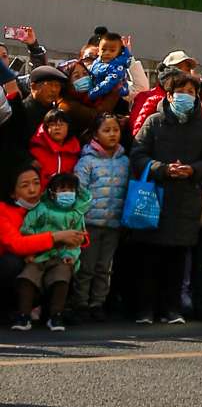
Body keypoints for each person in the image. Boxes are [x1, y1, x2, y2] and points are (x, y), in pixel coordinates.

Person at [130, 69, 202, 325]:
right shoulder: (154, 122)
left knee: (177, 262)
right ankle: (145, 310)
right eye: (181, 92)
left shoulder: (201, 126)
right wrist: (163, 169)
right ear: (169, 95)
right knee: (148, 260)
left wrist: (193, 170)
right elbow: (137, 156)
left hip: (185, 200)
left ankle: (172, 309)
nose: (187, 97)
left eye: (191, 92)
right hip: (154, 198)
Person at [2, 164, 86, 328]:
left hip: (49, 261)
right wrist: (57, 237)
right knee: (12, 263)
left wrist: (79, 239)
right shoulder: (3, 211)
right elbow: (17, 244)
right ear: (13, 193)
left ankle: (55, 313)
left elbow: (76, 228)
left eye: (36, 183)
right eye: (25, 186)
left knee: (66, 266)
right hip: (13, 272)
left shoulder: (49, 206)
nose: (33, 190)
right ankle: (14, 310)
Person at [72, 114, 130, 319]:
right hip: (90, 224)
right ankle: (80, 304)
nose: (112, 134)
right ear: (95, 134)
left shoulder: (125, 160)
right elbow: (79, 192)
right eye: (106, 130)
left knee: (104, 267)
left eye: (115, 130)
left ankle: (97, 303)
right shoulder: (86, 161)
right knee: (86, 267)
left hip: (113, 224)